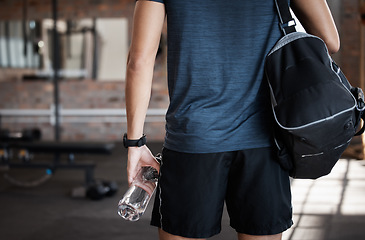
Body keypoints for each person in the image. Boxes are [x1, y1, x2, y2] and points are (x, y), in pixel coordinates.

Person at [124, 0, 339, 239]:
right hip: (265, 140)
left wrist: (135, 144)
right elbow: (330, 40)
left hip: (194, 138)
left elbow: (139, 61)